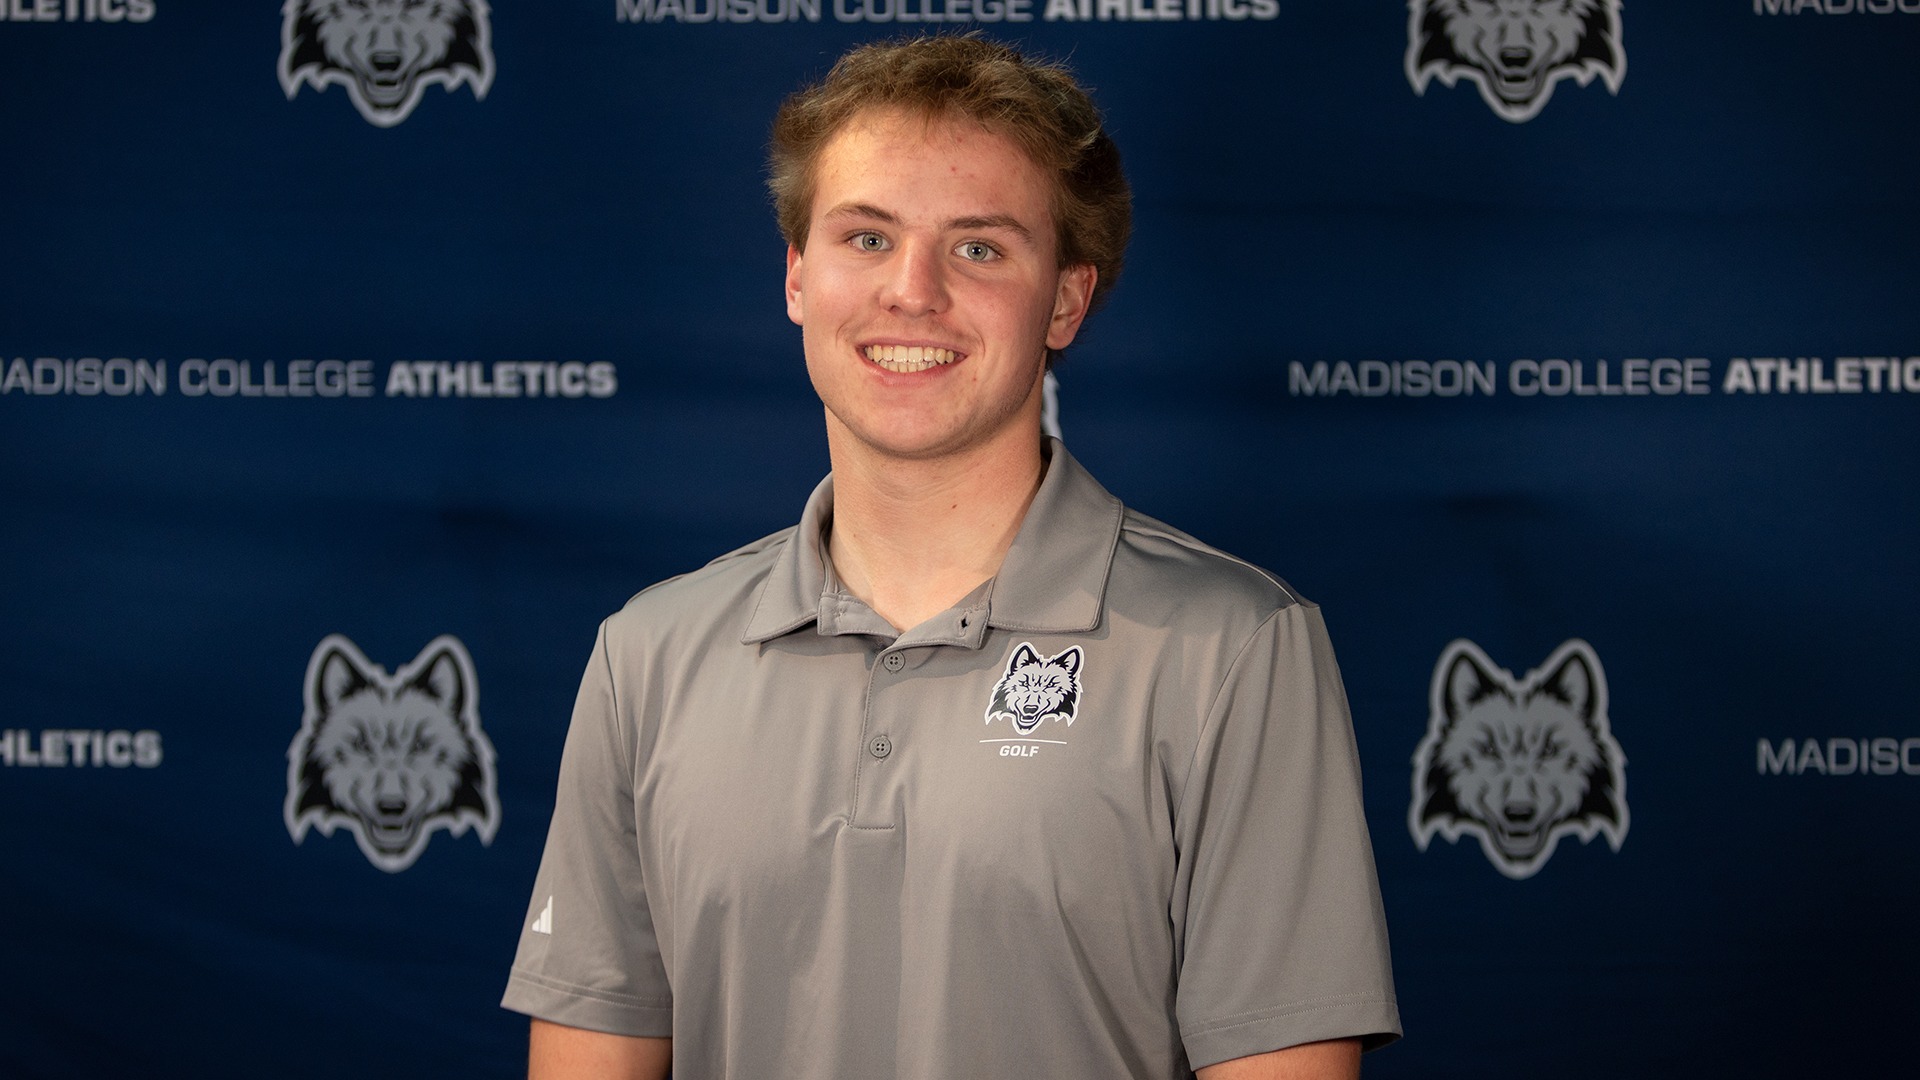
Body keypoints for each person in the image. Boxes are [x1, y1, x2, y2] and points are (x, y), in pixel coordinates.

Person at [502, 34, 1400, 1080]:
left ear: (1064, 300)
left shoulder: (1235, 652)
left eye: (979, 248)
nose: (912, 293)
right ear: (798, 277)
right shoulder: (647, 655)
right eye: (867, 239)